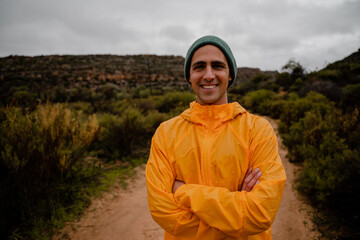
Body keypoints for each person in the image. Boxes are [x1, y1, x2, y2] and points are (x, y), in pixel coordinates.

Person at [146, 35, 286, 240]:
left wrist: (183, 192)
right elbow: (163, 212)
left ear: (230, 75)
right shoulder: (165, 134)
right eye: (199, 67)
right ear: (189, 76)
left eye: (218, 66)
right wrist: (237, 206)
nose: (209, 75)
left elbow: (260, 214)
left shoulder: (258, 130)